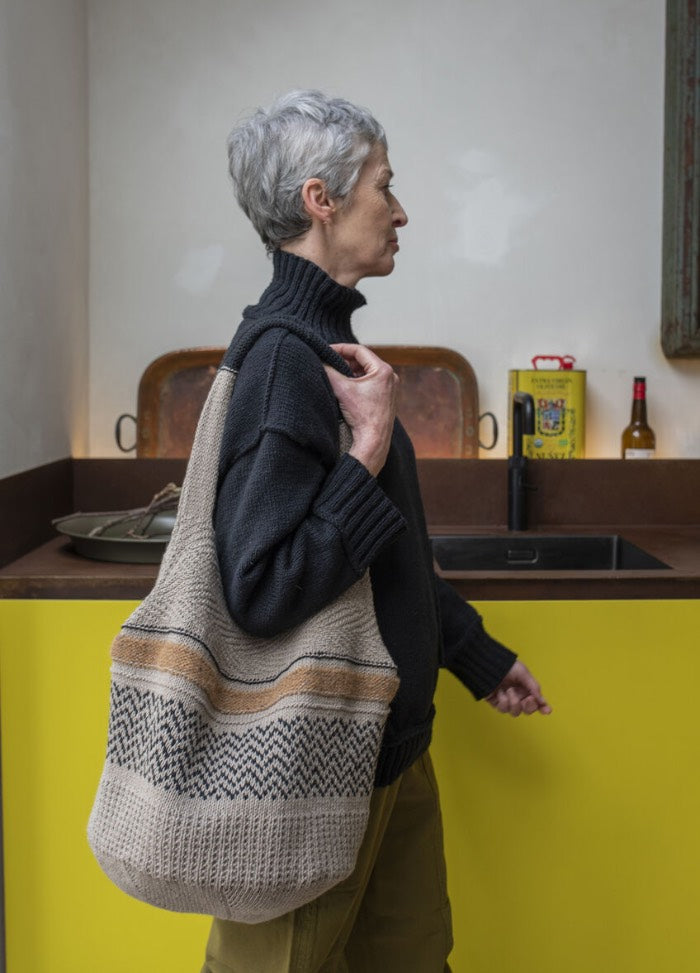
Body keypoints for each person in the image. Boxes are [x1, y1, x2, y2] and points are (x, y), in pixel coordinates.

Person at [202, 89, 551, 973]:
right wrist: (364, 451)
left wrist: (473, 653)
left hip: (387, 752)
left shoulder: (328, 346)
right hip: (317, 769)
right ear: (322, 200)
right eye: (383, 187)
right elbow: (263, 587)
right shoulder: (285, 357)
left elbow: (380, 556)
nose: (400, 211)